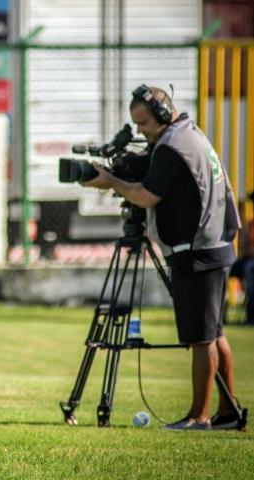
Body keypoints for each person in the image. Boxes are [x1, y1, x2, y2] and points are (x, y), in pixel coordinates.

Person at [82, 85, 242, 430]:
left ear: (162, 115)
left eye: (143, 123)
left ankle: (199, 417)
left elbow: (147, 196)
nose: (140, 131)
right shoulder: (187, 133)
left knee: (201, 337)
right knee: (213, 333)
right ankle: (229, 414)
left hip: (197, 250)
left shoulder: (171, 146)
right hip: (214, 244)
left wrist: (111, 181)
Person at [229, 190, 254, 324]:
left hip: (251, 263)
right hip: (247, 260)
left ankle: (251, 313)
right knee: (231, 267)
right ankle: (221, 316)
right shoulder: (251, 224)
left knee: (250, 270)